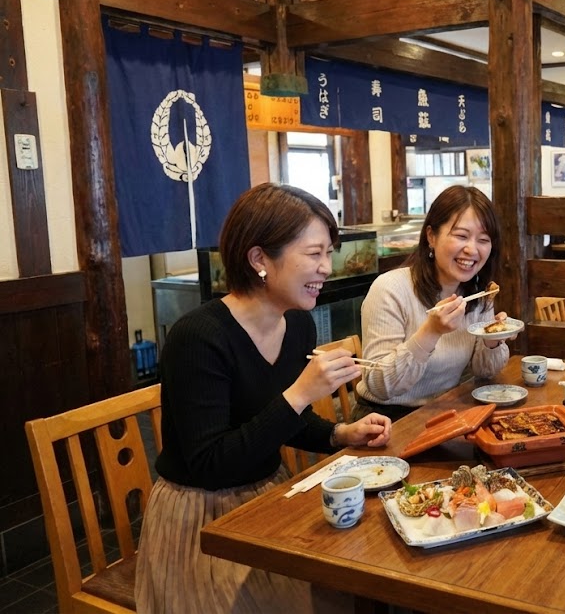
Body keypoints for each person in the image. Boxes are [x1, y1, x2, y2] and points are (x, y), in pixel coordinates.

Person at [135, 183, 392, 613]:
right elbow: (211, 461)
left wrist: (342, 433)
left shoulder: (298, 326)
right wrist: (301, 393)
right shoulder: (199, 337)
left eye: (329, 253)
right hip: (201, 516)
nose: (327, 267)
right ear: (259, 260)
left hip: (268, 497)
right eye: (314, 254)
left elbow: (278, 416)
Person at [354, 185, 511, 420]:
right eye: (461, 236)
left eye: (483, 239)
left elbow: (485, 371)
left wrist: (493, 340)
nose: (472, 249)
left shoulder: (479, 294)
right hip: (385, 420)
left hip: (442, 412)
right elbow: (380, 385)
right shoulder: (390, 289)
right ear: (431, 236)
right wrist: (431, 331)